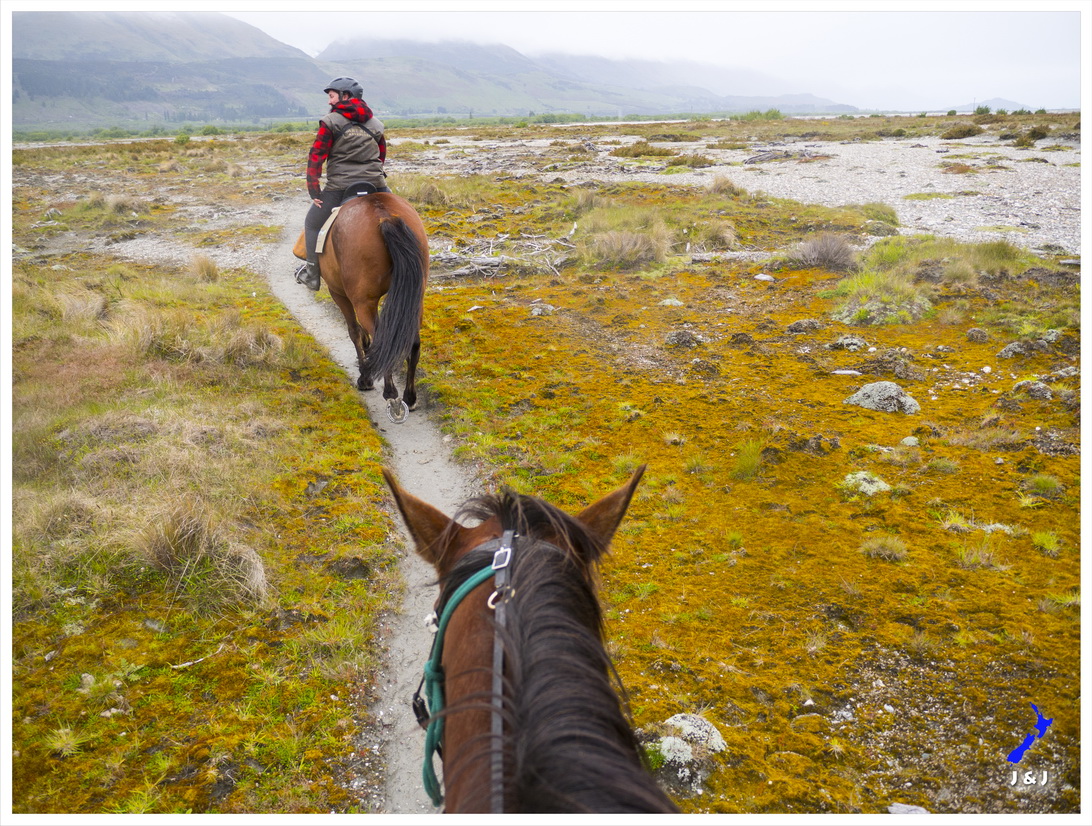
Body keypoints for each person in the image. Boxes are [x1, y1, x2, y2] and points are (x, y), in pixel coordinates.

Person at [297, 77, 390, 291]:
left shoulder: (330, 122)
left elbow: (317, 156)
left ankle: (312, 274)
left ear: (345, 96)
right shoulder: (376, 124)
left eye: (332, 96)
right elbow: (381, 155)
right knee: (401, 216)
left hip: (340, 187)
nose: (329, 101)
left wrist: (314, 190)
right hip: (376, 183)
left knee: (312, 223)